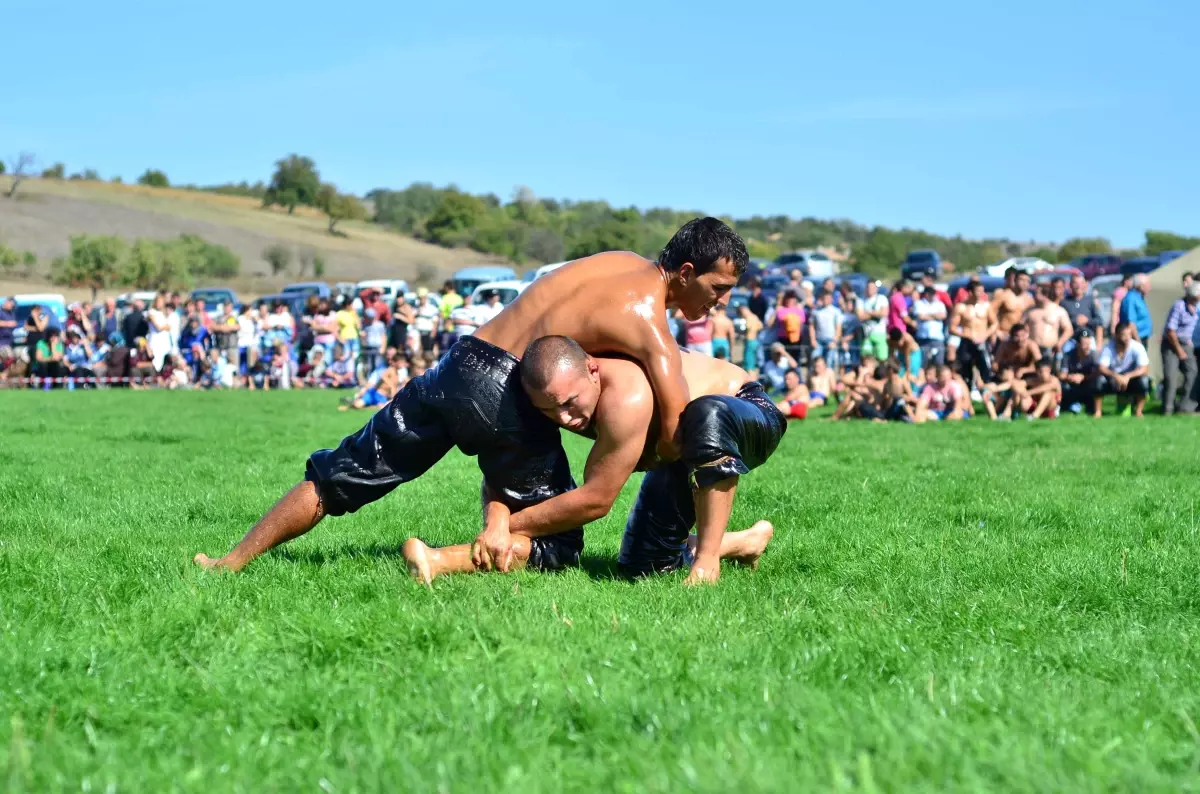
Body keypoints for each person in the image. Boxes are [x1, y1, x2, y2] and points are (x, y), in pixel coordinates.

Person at [193, 217, 746, 573]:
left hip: (459, 364)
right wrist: (655, 456)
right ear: (688, 271)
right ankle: (463, 551)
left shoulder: (615, 261)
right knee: (561, 544)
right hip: (510, 389)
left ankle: (230, 561)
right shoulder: (648, 321)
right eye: (717, 289)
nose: (718, 302)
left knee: (338, 474)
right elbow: (678, 428)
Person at [402, 337, 785, 585]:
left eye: (571, 403)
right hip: (676, 452)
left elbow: (595, 501)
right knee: (644, 569)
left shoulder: (626, 397)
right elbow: (505, 466)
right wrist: (496, 518)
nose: (566, 419)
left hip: (747, 411)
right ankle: (744, 542)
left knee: (706, 414)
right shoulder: (552, 396)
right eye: (550, 410)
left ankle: (706, 562)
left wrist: (504, 525)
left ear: (592, 368)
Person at [1160, 282, 1200, 415]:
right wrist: (1179, 350)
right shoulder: (1179, 306)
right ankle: (1168, 409)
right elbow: (1171, 331)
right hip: (1172, 344)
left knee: (1192, 375)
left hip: (1188, 345)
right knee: (1171, 377)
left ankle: (1185, 407)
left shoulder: (1197, 307)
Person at [1096, 321, 1150, 418]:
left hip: (1131, 380)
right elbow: (1101, 367)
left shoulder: (1137, 347)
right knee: (1099, 381)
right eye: (1123, 335)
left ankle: (1138, 411)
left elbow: (1145, 368)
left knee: (1144, 381)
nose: (1127, 338)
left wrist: (1127, 376)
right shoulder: (1108, 347)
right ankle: (1098, 412)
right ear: (1116, 335)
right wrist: (1116, 376)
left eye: (1129, 334)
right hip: (1113, 380)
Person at [948, 279, 995, 388]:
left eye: (982, 291)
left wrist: (986, 335)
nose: (981, 294)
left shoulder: (986, 306)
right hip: (967, 341)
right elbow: (952, 328)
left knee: (986, 369)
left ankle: (988, 395)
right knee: (966, 369)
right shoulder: (961, 307)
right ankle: (967, 394)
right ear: (970, 292)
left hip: (982, 341)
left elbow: (994, 323)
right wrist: (967, 335)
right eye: (978, 291)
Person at [1023, 285, 1073, 372]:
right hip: (1032, 350)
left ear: (1045, 295)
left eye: (1036, 293)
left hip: (1051, 350)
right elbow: (1020, 328)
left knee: (1049, 374)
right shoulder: (1029, 311)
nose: (1034, 295)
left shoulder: (1059, 310)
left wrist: (1060, 343)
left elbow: (1068, 330)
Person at [341, 351, 408, 411]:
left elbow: (395, 387)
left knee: (381, 408)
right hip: (374, 392)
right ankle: (348, 406)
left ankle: (366, 407)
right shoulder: (390, 369)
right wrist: (391, 385)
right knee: (358, 405)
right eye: (401, 363)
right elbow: (383, 376)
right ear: (395, 363)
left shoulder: (397, 374)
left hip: (382, 396)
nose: (403, 365)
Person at [1060, 331, 1100, 414]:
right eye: (1084, 343)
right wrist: (1070, 377)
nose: (1087, 346)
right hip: (1072, 383)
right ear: (1077, 344)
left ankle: (1093, 407)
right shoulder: (1068, 355)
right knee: (1063, 386)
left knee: (1098, 382)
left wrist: (1083, 377)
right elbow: (1062, 375)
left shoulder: (1094, 355)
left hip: (1088, 383)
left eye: (1088, 343)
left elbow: (1098, 372)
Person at [1061, 274, 1104, 348]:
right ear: (1070, 285)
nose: (1078, 286)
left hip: (1088, 338)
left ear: (1085, 284)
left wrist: (1087, 320)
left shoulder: (1090, 300)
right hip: (1071, 340)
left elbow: (1099, 321)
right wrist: (1074, 321)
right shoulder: (1064, 302)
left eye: (1081, 283)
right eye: (1075, 283)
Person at [913, 285, 948, 366]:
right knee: (923, 363)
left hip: (937, 337)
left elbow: (943, 315)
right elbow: (921, 317)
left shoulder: (940, 304)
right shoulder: (919, 304)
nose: (932, 296)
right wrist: (935, 316)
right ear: (926, 294)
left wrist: (927, 315)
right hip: (923, 337)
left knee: (939, 362)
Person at [809, 291, 843, 372]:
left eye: (828, 298)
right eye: (824, 298)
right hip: (819, 341)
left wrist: (834, 341)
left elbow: (838, 328)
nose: (826, 300)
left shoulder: (836, 311)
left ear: (831, 299)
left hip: (830, 340)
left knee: (829, 363)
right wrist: (813, 340)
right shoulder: (816, 311)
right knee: (815, 359)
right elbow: (812, 326)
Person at [858, 280, 889, 363]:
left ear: (876, 289)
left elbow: (884, 313)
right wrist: (876, 313)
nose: (870, 289)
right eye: (868, 287)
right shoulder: (860, 300)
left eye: (872, 287)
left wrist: (868, 312)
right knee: (866, 359)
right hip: (866, 335)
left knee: (882, 358)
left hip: (880, 333)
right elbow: (860, 316)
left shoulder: (882, 298)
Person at [1118, 273, 1152, 343]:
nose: (1150, 287)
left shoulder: (1139, 297)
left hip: (1142, 337)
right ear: (1141, 286)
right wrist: (1139, 344)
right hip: (1135, 339)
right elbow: (1131, 324)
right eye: (1147, 284)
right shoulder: (1131, 299)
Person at [414, 288, 440, 358]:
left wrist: (432, 335)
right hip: (417, 334)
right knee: (418, 354)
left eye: (422, 298)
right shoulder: (415, 308)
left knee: (428, 355)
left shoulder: (432, 309)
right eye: (419, 298)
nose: (421, 300)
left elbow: (435, 322)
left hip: (428, 334)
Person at [737, 304, 762, 377]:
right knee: (754, 365)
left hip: (750, 341)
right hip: (755, 341)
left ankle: (752, 383)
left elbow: (748, 327)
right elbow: (760, 326)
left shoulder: (748, 318)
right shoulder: (755, 316)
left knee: (749, 365)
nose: (742, 316)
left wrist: (742, 332)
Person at [1109, 273, 1134, 338]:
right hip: (1119, 325)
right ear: (1126, 281)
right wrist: (1113, 327)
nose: (1132, 283)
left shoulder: (1129, 292)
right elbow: (1115, 310)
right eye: (1131, 281)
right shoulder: (1120, 292)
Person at [0, 297, 16, 363]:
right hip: (2, 342)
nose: (12, 306)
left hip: (9, 341)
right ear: (6, 303)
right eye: (11, 304)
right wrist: (8, 323)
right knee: (9, 359)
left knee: (7, 361)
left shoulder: (11, 312)